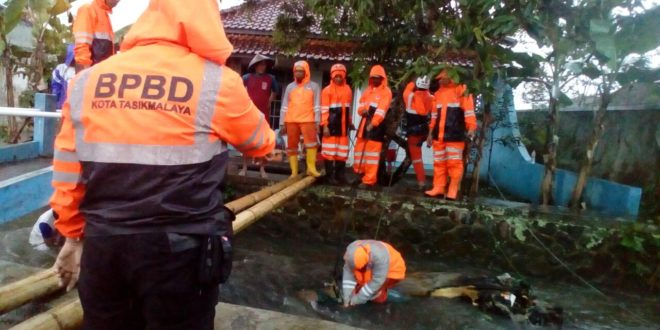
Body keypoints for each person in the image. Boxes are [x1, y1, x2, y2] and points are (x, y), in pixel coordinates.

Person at [50, 0, 275, 328]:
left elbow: (67, 167)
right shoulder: (217, 82)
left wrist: (72, 237)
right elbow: (261, 143)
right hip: (180, 254)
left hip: (104, 248)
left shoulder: (87, 82)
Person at [425, 70, 477, 200]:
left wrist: (471, 128)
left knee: (454, 163)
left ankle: (453, 189)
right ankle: (438, 187)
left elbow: (469, 112)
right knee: (439, 163)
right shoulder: (437, 94)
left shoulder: (461, 90)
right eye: (440, 79)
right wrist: (430, 133)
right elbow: (434, 116)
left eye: (443, 78)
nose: (440, 81)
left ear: (450, 78)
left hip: (455, 134)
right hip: (439, 135)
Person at [239, 54, 279, 178]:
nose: (263, 67)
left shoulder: (270, 78)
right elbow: (238, 89)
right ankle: (245, 167)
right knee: (247, 141)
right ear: (255, 66)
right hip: (249, 113)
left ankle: (262, 169)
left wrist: (270, 101)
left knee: (262, 142)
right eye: (260, 64)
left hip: (263, 114)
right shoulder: (246, 77)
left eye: (264, 65)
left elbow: (275, 90)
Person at [279, 60, 322, 178]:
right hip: (291, 120)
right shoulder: (289, 87)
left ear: (306, 72)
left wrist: (317, 121)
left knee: (312, 144)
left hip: (308, 120)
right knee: (292, 146)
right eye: (296, 71)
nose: (298, 73)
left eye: (300, 71)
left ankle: (311, 169)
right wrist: (282, 123)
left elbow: (317, 105)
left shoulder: (314, 86)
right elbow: (284, 106)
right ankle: (293, 172)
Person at [353, 65, 392, 187]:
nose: (375, 80)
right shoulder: (368, 91)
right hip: (364, 125)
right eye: (373, 78)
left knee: (371, 155)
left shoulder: (386, 92)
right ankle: (361, 175)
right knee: (359, 152)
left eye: (377, 78)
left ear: (382, 78)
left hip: (376, 128)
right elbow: (360, 107)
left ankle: (369, 180)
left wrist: (373, 123)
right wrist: (362, 111)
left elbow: (382, 110)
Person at [342, 240, 406, 306]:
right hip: (374, 264)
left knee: (376, 295)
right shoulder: (350, 252)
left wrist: (357, 300)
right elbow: (349, 273)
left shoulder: (380, 256)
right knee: (360, 287)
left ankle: (385, 295)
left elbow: (377, 281)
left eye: (362, 269)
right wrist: (347, 297)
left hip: (393, 269)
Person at [320, 63, 353, 184]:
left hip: (343, 127)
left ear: (344, 76)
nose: (338, 78)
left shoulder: (348, 90)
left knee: (341, 152)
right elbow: (324, 110)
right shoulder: (326, 91)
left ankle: (340, 176)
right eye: (336, 76)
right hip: (331, 126)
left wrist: (350, 122)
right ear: (332, 76)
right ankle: (329, 176)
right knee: (329, 152)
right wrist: (325, 126)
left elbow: (347, 108)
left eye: (340, 76)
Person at [403, 76, 434, 190]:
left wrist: (412, 81)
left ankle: (421, 182)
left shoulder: (409, 96)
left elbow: (407, 89)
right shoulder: (432, 98)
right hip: (427, 131)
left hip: (413, 133)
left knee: (417, 158)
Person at [72, 0, 120, 73]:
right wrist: (83, 78)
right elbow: (82, 47)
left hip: (102, 74)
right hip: (92, 75)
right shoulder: (88, 9)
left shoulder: (104, 14)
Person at [51, 44, 76, 109]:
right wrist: (55, 105)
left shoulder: (85, 69)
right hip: (63, 106)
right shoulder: (60, 69)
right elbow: (56, 88)